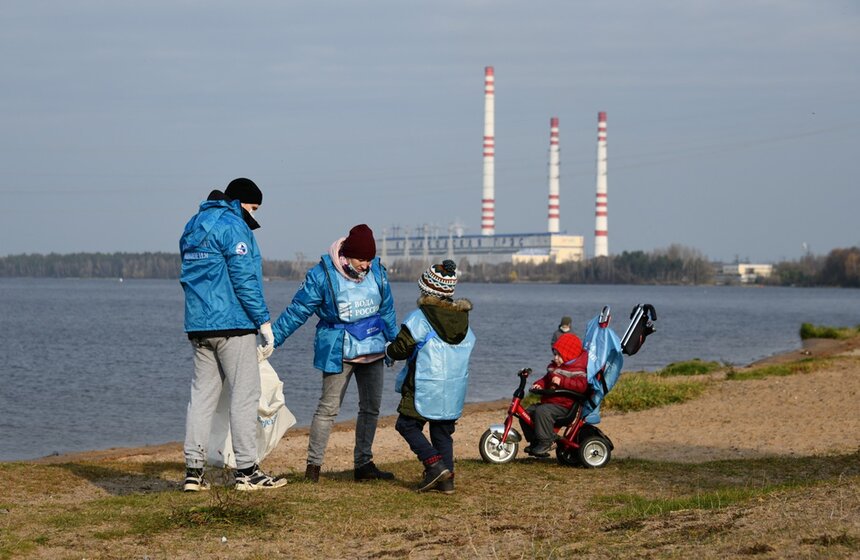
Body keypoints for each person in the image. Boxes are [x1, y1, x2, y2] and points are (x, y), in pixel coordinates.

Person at [179, 177, 286, 492]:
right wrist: (263, 322)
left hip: (199, 325)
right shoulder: (234, 226)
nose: (254, 215)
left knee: (201, 398)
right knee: (245, 395)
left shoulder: (193, 225)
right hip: (233, 324)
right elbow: (243, 278)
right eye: (253, 208)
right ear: (240, 202)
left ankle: (193, 473)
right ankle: (247, 472)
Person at [271, 224, 398, 483]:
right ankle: (313, 469)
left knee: (371, 409)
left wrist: (395, 344)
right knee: (328, 409)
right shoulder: (321, 276)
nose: (366, 265)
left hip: (373, 351)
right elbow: (298, 311)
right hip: (338, 351)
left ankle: (363, 465)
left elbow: (387, 312)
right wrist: (272, 340)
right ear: (346, 255)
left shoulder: (379, 274)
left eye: (370, 259)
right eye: (362, 259)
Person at [386, 260, 476, 494]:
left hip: (423, 385)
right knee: (442, 431)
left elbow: (401, 347)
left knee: (406, 424)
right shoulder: (463, 320)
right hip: (453, 387)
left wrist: (388, 350)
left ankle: (434, 465)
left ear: (427, 289)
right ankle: (447, 482)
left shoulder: (420, 317)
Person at [520, 332, 588, 457]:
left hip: (564, 407)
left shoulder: (576, 370)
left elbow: (581, 386)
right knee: (527, 412)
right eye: (554, 354)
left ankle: (547, 441)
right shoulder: (554, 368)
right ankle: (535, 440)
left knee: (542, 412)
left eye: (559, 355)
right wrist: (539, 384)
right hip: (551, 403)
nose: (555, 358)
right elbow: (546, 379)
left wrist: (562, 381)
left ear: (569, 355)